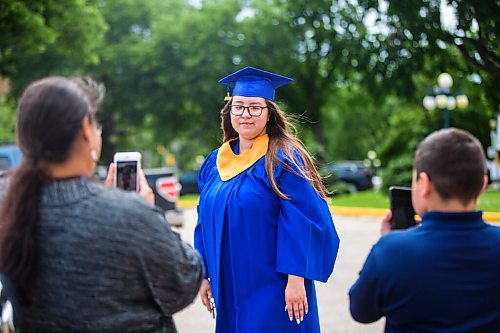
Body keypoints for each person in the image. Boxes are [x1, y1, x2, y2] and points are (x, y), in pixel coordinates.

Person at [0, 76, 203, 332]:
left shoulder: (8, 201)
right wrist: (147, 215)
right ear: (86, 129)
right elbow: (184, 283)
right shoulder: (130, 214)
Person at [194, 66, 340, 333]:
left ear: (268, 112)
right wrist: (204, 274)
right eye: (238, 107)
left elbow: (303, 219)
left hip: (273, 285)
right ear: (229, 111)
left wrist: (296, 280)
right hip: (229, 284)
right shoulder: (214, 163)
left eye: (254, 108)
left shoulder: (283, 158)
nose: (245, 115)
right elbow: (203, 221)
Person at [349, 128, 500, 332]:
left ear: (424, 184)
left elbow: (361, 311)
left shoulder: (392, 251)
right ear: (482, 185)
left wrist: (386, 246)